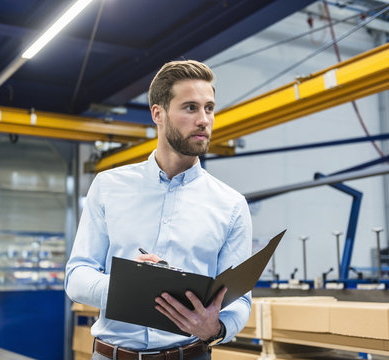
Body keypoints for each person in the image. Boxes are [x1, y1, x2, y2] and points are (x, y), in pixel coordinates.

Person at [65, 60, 253, 360]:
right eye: (190, 108)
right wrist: (125, 286)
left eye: (209, 108)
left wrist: (216, 328)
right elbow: (76, 276)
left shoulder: (231, 205)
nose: (204, 120)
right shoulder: (109, 186)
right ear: (158, 113)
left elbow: (240, 300)